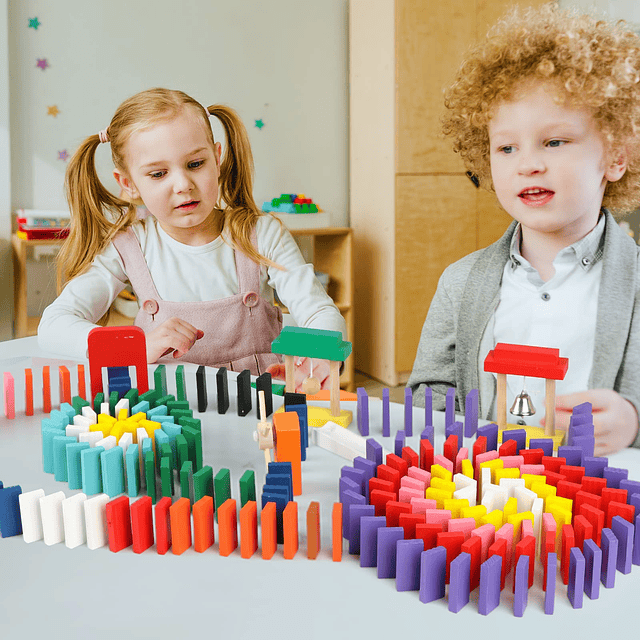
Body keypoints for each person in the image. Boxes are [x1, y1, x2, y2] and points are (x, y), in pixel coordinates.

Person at [407, 5, 640, 454]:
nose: (528, 163)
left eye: (555, 142)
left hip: (596, 504)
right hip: (489, 498)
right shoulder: (460, 282)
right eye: (506, 147)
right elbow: (428, 394)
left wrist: (631, 422)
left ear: (615, 157)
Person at [38, 88, 345, 391]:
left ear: (217, 157)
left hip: (258, 405)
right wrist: (134, 347)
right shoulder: (127, 247)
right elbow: (54, 326)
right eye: (158, 174)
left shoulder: (261, 233)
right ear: (128, 184)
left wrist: (320, 355)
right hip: (168, 412)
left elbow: (317, 311)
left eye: (195, 164)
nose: (183, 185)